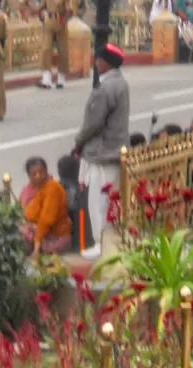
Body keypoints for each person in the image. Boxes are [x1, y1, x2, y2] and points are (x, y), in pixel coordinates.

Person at [72, 44, 130, 261]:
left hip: (101, 152)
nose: (95, 63)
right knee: (110, 200)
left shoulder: (105, 89)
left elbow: (91, 124)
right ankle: (109, 241)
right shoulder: (120, 83)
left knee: (99, 202)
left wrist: (78, 144)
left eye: (97, 59)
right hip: (115, 151)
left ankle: (101, 243)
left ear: (104, 62)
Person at [20, 156, 72, 255]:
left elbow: (46, 220)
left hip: (56, 237)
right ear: (29, 176)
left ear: (47, 172)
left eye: (41, 172)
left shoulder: (52, 188)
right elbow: (30, 213)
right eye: (34, 174)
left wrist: (36, 246)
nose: (38, 176)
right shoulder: (38, 189)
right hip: (43, 233)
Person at [38, 0, 73, 90]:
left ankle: (61, 78)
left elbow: (69, 11)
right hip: (49, 22)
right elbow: (40, 7)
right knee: (46, 49)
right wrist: (40, 13)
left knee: (63, 51)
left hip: (60, 22)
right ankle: (46, 78)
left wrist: (63, 23)